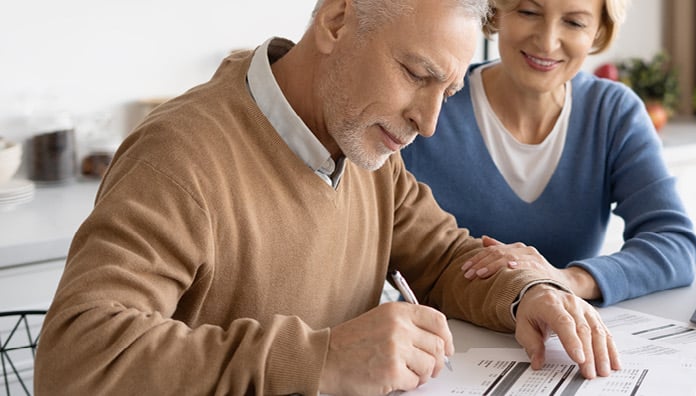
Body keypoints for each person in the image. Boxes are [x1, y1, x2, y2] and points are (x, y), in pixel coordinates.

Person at [33, 0, 620, 394]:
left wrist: (529, 292)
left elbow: (445, 259)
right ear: (338, 19)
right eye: (417, 75)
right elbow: (75, 358)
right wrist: (321, 359)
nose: (431, 121)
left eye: (448, 89)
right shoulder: (181, 154)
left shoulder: (365, 145)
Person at [401, 0, 696, 307]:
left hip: (564, 342)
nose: (547, 41)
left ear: (598, 31)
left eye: (574, 23)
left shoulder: (612, 113)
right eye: (529, 13)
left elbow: (674, 244)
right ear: (496, 11)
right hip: (439, 343)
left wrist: (567, 279)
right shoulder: (429, 106)